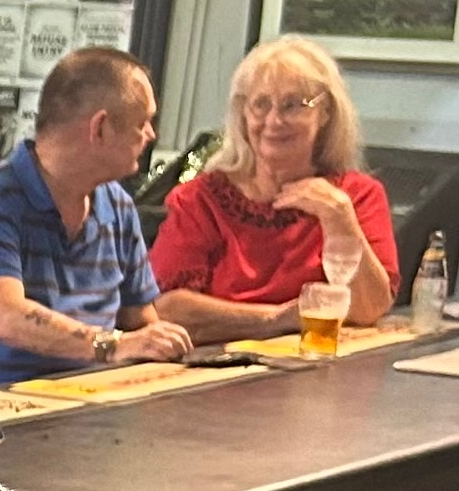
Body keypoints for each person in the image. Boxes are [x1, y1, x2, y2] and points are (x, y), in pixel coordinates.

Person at [0, 47, 195, 386]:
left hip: (86, 406)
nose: (151, 135)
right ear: (101, 128)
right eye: (143, 122)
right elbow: (5, 318)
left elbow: (141, 323)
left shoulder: (118, 207)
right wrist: (110, 345)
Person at [147, 39, 400, 347]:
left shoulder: (355, 197)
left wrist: (339, 220)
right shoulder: (199, 200)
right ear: (243, 114)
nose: (274, 121)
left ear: (325, 113)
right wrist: (277, 319)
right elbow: (166, 309)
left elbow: (369, 309)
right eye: (261, 104)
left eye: (293, 105)